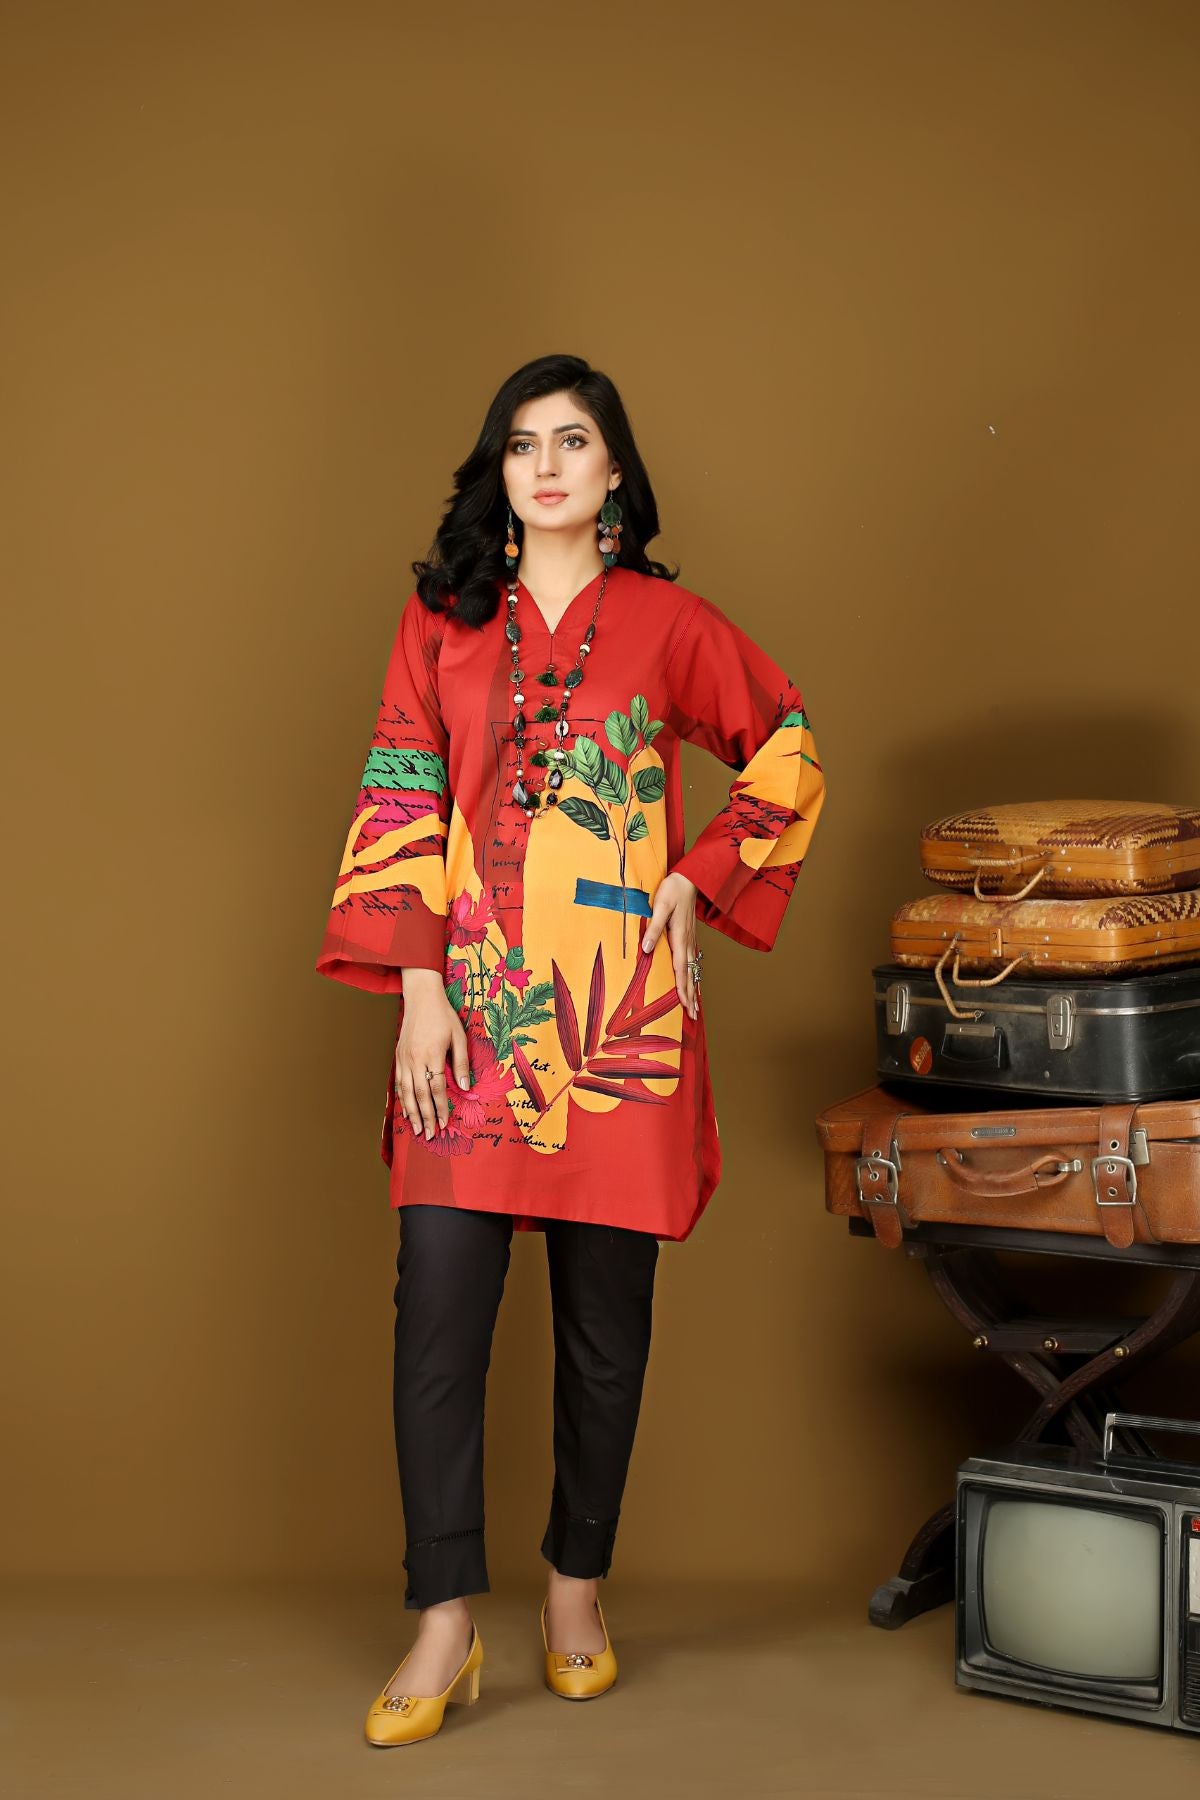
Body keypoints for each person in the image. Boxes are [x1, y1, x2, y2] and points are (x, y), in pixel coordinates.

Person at [314, 352, 826, 1747]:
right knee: (438, 1323)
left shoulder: (669, 623)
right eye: (522, 444)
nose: (545, 466)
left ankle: (576, 1589)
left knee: (607, 1332)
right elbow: (401, 789)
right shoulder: (441, 622)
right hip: (470, 1017)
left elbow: (787, 747)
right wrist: (419, 990)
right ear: (499, 472)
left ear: (614, 473)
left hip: (620, 1026)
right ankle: (443, 1622)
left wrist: (700, 876)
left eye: (573, 442)